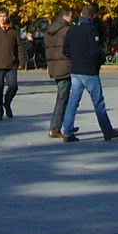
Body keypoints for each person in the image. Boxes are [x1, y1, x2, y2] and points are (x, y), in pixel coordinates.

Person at [60, 4, 118, 143]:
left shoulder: (72, 30)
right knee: (98, 102)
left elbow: (65, 50)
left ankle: (67, 132)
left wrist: (75, 58)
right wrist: (100, 61)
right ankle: (107, 131)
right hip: (89, 71)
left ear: (81, 15)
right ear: (92, 16)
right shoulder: (91, 30)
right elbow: (96, 51)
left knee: (73, 102)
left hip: (75, 70)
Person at [44, 8, 73, 139]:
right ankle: (55, 128)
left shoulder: (49, 31)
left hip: (54, 66)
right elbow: (70, 48)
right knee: (62, 98)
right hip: (65, 66)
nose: (72, 19)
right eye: (71, 17)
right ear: (66, 17)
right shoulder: (66, 30)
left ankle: (65, 124)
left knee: (63, 97)